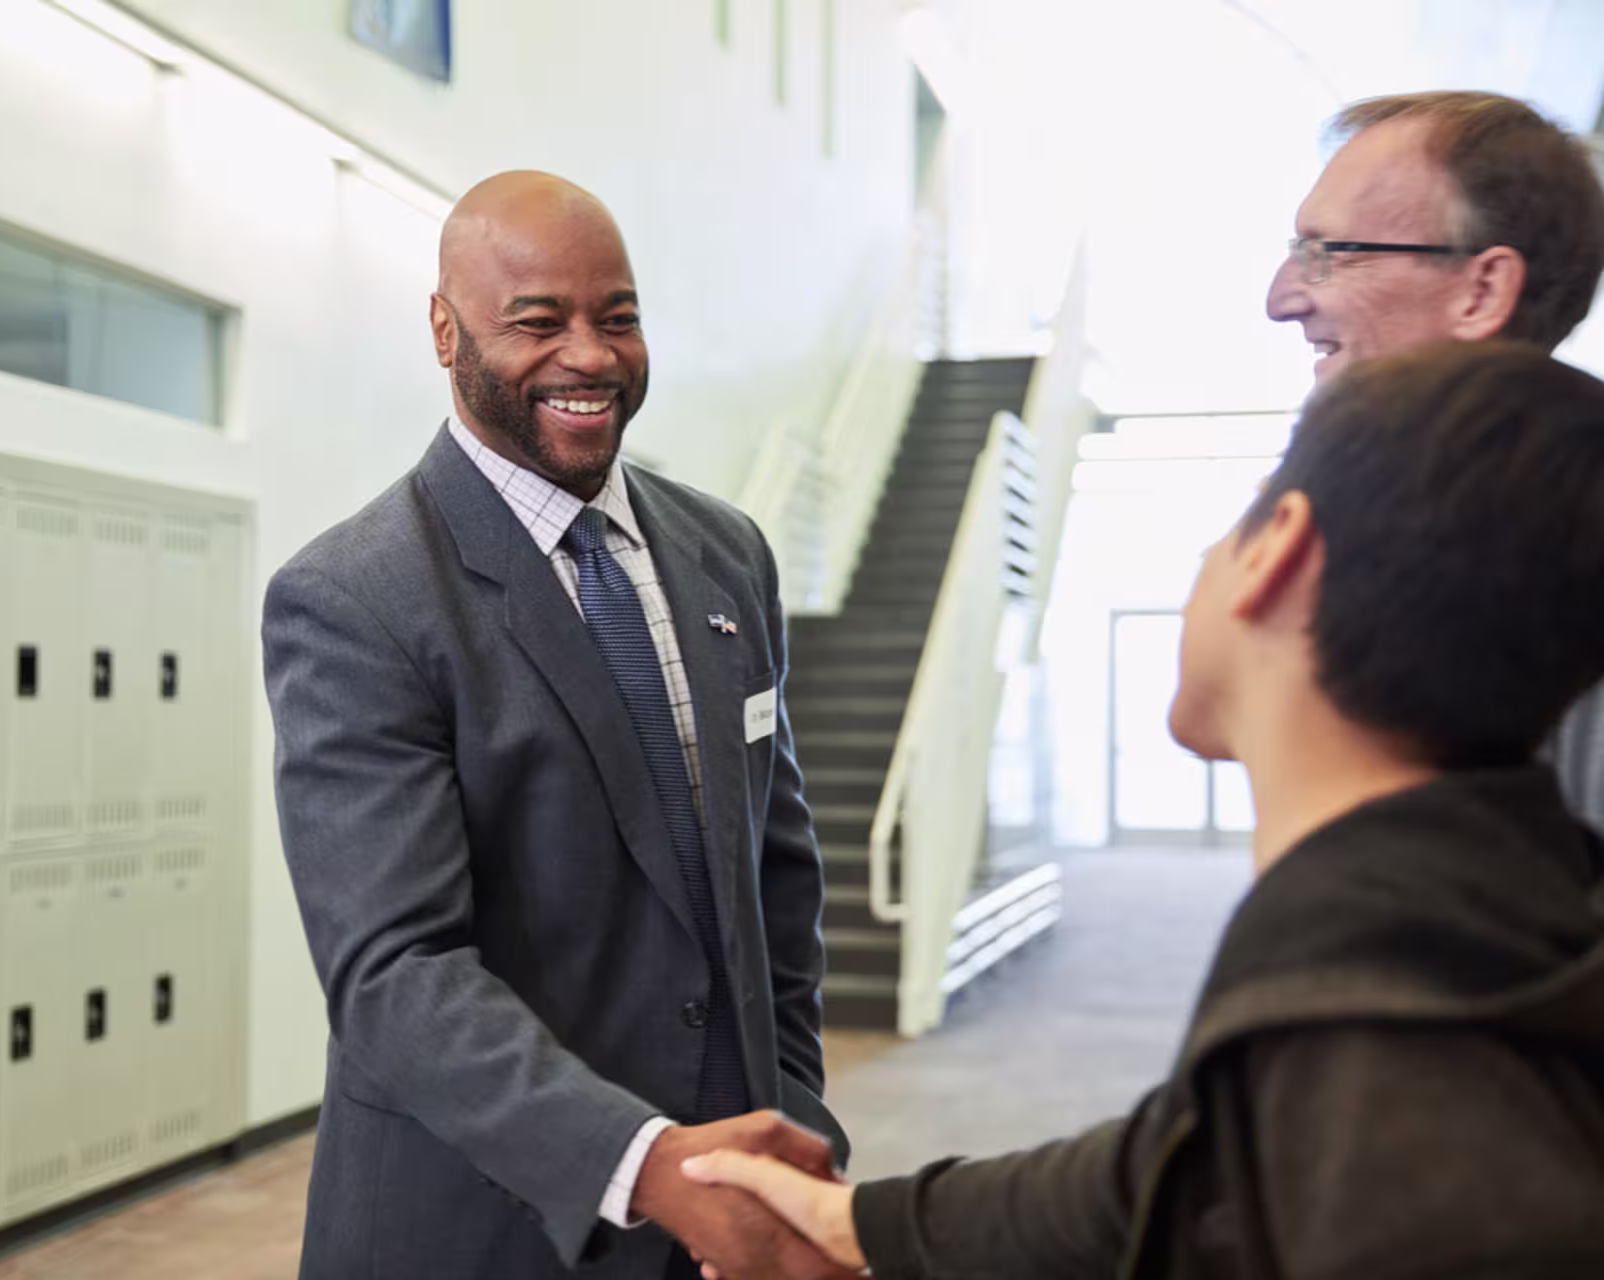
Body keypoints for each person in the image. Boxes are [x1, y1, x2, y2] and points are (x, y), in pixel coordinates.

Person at [680, 341, 1604, 1277]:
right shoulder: (1470, 921)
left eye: (1231, 523)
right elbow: (1171, 1169)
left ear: (1277, 549)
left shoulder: (1380, 1054)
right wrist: (862, 1229)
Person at [262, 170, 854, 1280]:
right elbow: (397, 970)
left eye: (616, 316)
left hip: (725, 1204)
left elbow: (778, 870)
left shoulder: (729, 554)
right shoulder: (356, 598)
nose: (588, 355)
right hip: (486, 1226)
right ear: (445, 329)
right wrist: (644, 1161)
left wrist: (791, 1108)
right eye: (537, 321)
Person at [1262, 90, 1604, 826]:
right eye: (1295, 254)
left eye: (1329, 254)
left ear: (1481, 291)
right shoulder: (1411, 536)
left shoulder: (1567, 558)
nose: (1282, 299)